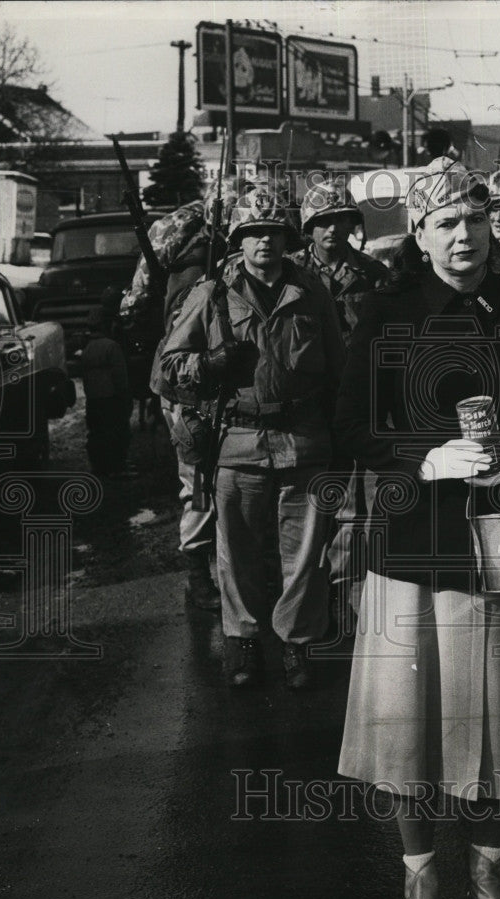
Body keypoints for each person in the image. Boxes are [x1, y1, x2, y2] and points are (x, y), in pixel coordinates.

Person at [334, 157, 500, 899]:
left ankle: (487, 877)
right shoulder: (387, 309)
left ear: (493, 225)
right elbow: (350, 427)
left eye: (475, 219)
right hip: (413, 542)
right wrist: (419, 459)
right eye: (444, 222)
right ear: (418, 233)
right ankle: (418, 880)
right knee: (407, 730)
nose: (465, 235)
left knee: (497, 726)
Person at [160, 181, 346, 691]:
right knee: (236, 551)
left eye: (272, 232)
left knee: (305, 554)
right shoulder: (211, 294)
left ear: (287, 240)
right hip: (238, 441)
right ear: (239, 241)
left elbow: (338, 370)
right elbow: (166, 368)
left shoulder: (312, 293)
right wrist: (209, 363)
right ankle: (241, 640)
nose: (264, 242)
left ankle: (298, 644)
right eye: (252, 233)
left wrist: (342, 434)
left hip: (305, 440)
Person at [119, 181, 229, 611]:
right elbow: (137, 305)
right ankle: (199, 575)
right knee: (199, 480)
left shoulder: (256, 236)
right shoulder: (178, 232)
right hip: (185, 379)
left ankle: (238, 573)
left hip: (237, 370)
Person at [289, 179, 389, 635]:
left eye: (339, 220)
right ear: (308, 227)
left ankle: (342, 597)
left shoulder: (372, 275)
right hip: (304, 411)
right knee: (303, 514)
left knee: (353, 512)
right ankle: (301, 605)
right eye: (322, 221)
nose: (331, 229)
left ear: (352, 224)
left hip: (355, 407)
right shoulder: (287, 274)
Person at [82, 287, 133, 478]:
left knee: (96, 433)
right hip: (112, 397)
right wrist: (124, 393)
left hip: (94, 399)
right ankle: (117, 465)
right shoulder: (111, 347)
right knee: (116, 431)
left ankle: (99, 466)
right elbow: (120, 375)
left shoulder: (88, 349)